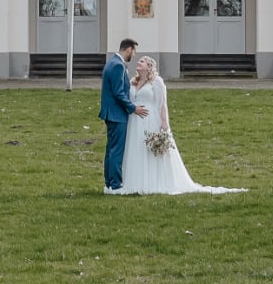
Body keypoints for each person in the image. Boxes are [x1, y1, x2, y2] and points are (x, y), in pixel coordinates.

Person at [119, 55, 245, 195]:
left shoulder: (156, 82)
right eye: (139, 61)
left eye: (142, 61)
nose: (139, 63)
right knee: (135, 149)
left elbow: (162, 104)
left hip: (149, 120)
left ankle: (153, 180)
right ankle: (135, 181)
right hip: (134, 121)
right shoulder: (132, 82)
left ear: (149, 67)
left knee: (150, 150)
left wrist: (164, 123)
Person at [98, 37, 148, 192]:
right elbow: (119, 93)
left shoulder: (112, 62)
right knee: (116, 150)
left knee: (111, 149)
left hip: (110, 113)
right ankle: (115, 184)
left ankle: (109, 182)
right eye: (134, 52)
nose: (134, 56)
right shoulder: (118, 66)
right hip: (116, 114)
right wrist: (133, 108)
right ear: (128, 49)